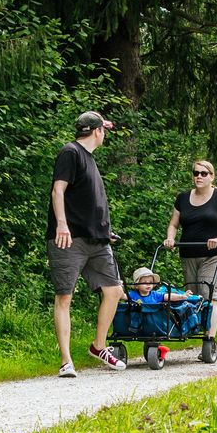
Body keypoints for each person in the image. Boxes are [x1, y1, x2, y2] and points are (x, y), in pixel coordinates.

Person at [49, 110, 125, 375]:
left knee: (114, 291)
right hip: (69, 238)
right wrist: (61, 224)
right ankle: (66, 361)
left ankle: (98, 345)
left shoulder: (90, 160)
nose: (104, 135)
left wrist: (106, 232)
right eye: (104, 130)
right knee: (65, 296)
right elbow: (58, 190)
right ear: (97, 131)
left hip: (97, 240)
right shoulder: (70, 153)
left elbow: (89, 202)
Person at [161, 158, 217, 336]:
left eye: (204, 173)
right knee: (192, 295)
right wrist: (170, 239)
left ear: (212, 176)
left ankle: (209, 340)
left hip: (212, 254)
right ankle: (192, 330)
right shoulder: (182, 198)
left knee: (209, 295)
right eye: (196, 173)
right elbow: (174, 224)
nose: (199, 176)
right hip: (188, 253)